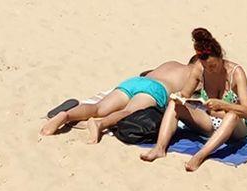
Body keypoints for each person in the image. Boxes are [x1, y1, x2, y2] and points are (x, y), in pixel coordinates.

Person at [141, 28, 247, 172]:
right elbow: (185, 94)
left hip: (235, 127)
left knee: (232, 115)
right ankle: (159, 148)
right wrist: (179, 97)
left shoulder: (236, 72)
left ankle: (199, 156)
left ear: (220, 57)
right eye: (206, 67)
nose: (210, 70)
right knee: (174, 104)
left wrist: (223, 104)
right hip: (209, 121)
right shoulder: (199, 68)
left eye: (213, 65)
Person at [41, 55, 203, 144]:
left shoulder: (171, 62)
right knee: (128, 112)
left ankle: (65, 115)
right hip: (156, 90)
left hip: (135, 82)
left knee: (98, 108)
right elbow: (195, 97)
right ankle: (99, 124)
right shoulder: (196, 76)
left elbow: (146, 73)